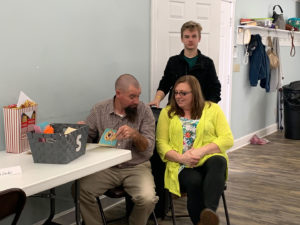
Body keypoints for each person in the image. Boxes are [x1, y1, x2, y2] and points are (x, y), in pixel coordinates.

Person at [78, 74, 158, 225]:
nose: (137, 101)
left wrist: (135, 135)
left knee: (148, 198)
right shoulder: (100, 109)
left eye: (138, 96)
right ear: (118, 93)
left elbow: (148, 149)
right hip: (106, 167)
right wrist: (79, 131)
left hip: (136, 166)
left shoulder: (144, 111)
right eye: (132, 96)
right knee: (81, 190)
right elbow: (86, 139)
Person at [156, 75, 233, 225]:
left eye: (183, 93)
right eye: (176, 92)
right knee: (195, 181)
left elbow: (227, 139)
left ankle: (208, 215)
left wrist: (201, 151)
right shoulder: (167, 113)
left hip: (206, 159)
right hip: (180, 164)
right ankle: (201, 221)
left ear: (195, 93)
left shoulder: (213, 109)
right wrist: (181, 158)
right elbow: (161, 145)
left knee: (219, 160)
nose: (178, 96)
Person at [149, 20, 221, 107]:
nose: (190, 40)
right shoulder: (173, 61)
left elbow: (215, 89)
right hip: (176, 108)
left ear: (199, 38)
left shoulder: (207, 63)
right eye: (187, 37)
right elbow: (165, 84)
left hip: (199, 110)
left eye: (194, 36)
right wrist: (157, 99)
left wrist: (208, 108)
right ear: (182, 39)